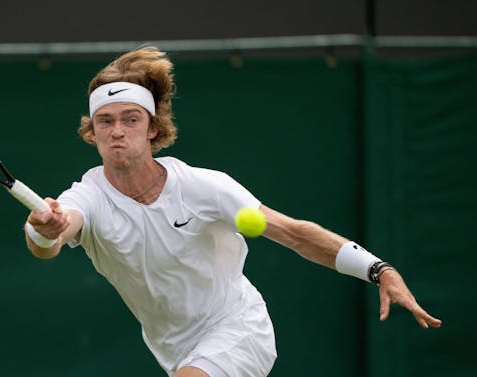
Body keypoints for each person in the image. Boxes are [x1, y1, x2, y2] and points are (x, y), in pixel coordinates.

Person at [23, 46, 442, 377]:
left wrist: (379, 270)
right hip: (172, 348)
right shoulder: (87, 195)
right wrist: (42, 228)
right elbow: (50, 242)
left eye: (130, 119)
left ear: (153, 128)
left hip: (239, 328)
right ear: (91, 132)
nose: (117, 131)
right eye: (105, 121)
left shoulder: (205, 187)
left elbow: (293, 232)